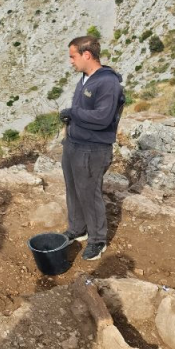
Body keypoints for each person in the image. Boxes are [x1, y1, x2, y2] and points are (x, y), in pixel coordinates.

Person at [58, 34, 125, 261]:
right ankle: (78, 229)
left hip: (93, 149)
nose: (71, 61)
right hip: (74, 144)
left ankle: (97, 240)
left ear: (86, 55)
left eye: (73, 56)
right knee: (73, 189)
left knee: (89, 192)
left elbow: (103, 117)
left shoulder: (108, 82)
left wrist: (73, 113)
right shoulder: (86, 78)